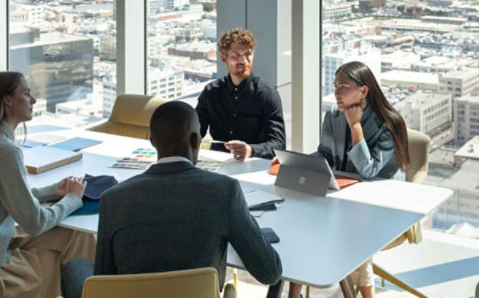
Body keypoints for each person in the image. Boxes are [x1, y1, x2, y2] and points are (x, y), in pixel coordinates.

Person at [61, 101, 282, 298]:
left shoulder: (114, 199)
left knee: (76, 267)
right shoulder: (225, 191)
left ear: (152, 141)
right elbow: (270, 272)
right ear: (195, 140)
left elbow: (104, 282)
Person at [0, 72, 96, 298]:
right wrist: (73, 199)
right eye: (26, 94)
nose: (33, 100)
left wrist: (54, 191)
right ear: (8, 100)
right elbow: (35, 222)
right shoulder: (5, 151)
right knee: (73, 241)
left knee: (76, 236)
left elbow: (6, 197)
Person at [288, 61, 409, 298]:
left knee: (350, 232)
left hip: (380, 206)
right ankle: (294, 294)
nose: (336, 92)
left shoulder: (388, 123)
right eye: (335, 86)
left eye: (343, 87)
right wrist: (301, 163)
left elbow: (368, 170)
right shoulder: (333, 116)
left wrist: (355, 126)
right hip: (345, 197)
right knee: (301, 222)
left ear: (363, 91)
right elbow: (325, 154)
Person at [196, 28, 286, 161]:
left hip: (253, 165)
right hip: (217, 162)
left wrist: (251, 150)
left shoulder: (268, 94)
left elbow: (279, 144)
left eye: (247, 54)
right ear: (223, 58)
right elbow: (194, 133)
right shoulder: (211, 92)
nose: (243, 61)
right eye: (235, 56)